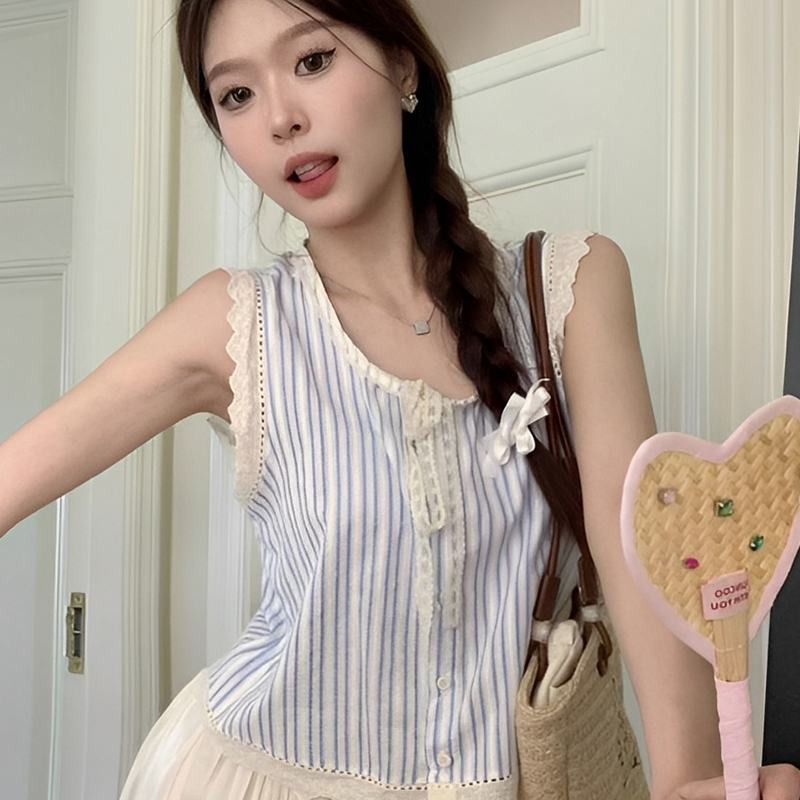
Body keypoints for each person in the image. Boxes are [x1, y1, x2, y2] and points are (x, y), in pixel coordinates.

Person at [1, 0, 799, 797]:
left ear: (403, 65)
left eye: (312, 60)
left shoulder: (570, 291)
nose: (279, 119)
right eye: (235, 94)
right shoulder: (236, 323)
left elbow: (647, 560)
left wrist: (691, 778)